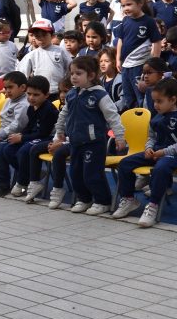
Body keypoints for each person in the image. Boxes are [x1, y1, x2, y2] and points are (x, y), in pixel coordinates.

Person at [112, 77, 177, 227]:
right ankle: (129, 199)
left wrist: (164, 152)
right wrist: (148, 148)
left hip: (176, 156)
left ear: (173, 100)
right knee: (125, 163)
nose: (155, 105)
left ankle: (153, 205)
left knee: (161, 168)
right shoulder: (156, 117)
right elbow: (151, 137)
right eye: (154, 101)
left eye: (159, 101)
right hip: (156, 153)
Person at [48, 55, 127, 216]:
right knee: (76, 173)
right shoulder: (72, 94)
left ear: (90, 75)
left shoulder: (99, 95)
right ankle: (84, 199)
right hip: (75, 142)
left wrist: (119, 137)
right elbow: (64, 114)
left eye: (78, 73)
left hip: (94, 142)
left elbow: (113, 117)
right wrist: (60, 131)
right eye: (72, 73)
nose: (73, 77)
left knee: (92, 174)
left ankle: (103, 201)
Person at [115, 0, 162, 110]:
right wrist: (118, 59)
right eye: (123, 6)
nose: (126, 8)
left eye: (129, 4)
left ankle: (144, 119)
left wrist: (154, 64)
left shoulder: (148, 21)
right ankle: (131, 119)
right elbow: (120, 40)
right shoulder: (125, 20)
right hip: (125, 66)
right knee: (128, 97)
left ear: (140, 3)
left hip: (140, 65)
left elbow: (157, 42)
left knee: (140, 96)